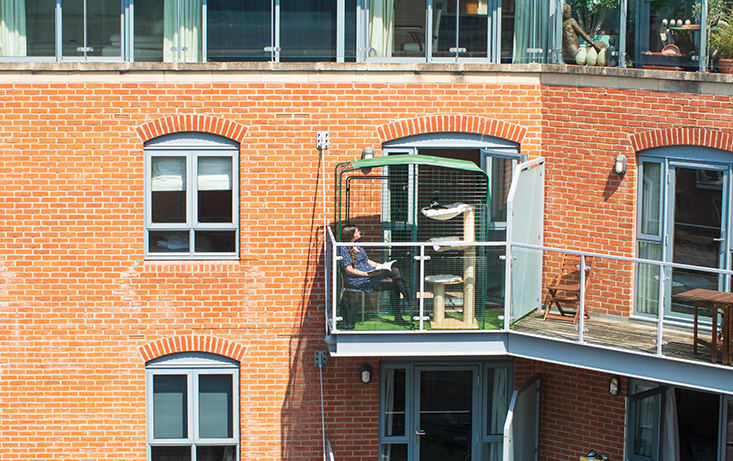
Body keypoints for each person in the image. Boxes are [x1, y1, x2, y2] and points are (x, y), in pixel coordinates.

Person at [339, 225, 412, 326]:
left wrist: (381, 265)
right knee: (395, 284)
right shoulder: (343, 248)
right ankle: (409, 303)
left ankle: (408, 302)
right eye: (357, 231)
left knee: (395, 271)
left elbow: (367, 261)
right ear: (351, 235)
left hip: (371, 273)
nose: (360, 232)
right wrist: (366, 274)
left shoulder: (358, 244)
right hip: (358, 279)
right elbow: (348, 270)